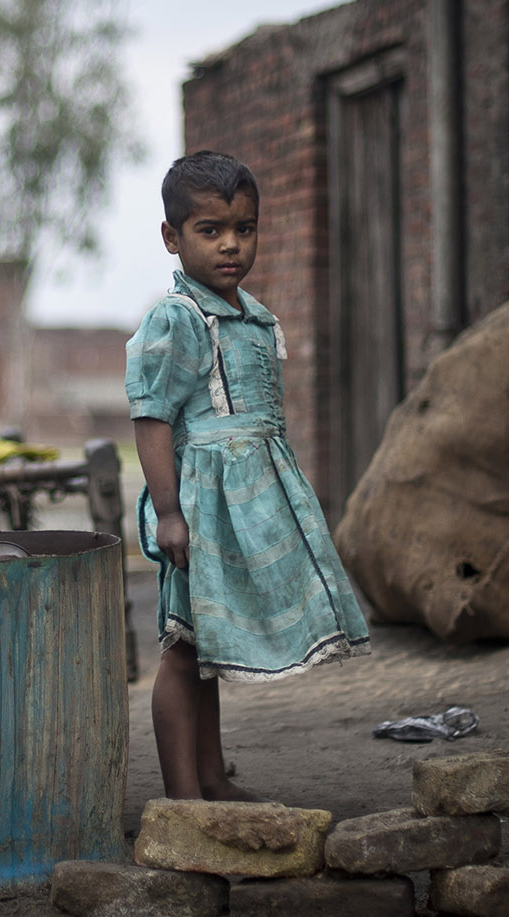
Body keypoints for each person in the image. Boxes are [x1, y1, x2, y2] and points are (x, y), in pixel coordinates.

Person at [125, 150, 371, 802]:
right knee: (183, 647)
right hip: (199, 509)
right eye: (211, 230)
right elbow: (151, 417)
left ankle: (211, 775)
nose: (231, 244)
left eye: (245, 227)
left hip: (242, 507)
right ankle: (183, 799)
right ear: (172, 238)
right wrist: (170, 511)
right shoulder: (177, 319)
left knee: (207, 645)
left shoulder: (252, 315)